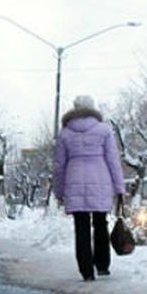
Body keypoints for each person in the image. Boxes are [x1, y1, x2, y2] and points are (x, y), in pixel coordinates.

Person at [54, 95, 126, 281]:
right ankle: (102, 264)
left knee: (81, 227)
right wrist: (119, 187)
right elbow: (112, 160)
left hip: (73, 180)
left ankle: (86, 270)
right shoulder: (104, 130)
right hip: (100, 180)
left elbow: (59, 165)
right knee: (101, 223)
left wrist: (59, 190)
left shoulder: (65, 133)